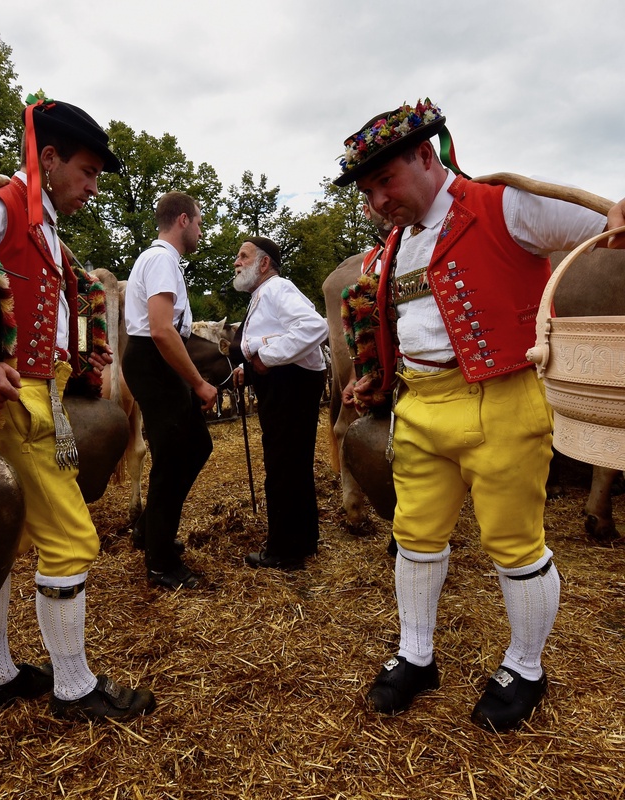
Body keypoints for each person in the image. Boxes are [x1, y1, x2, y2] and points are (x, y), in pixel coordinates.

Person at [333, 98, 610, 732]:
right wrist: (375, 376)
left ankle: (526, 668)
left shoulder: (505, 205)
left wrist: (616, 212)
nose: (377, 201)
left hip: (503, 400)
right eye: (367, 191)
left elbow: (599, 223)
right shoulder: (395, 245)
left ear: (425, 155)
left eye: (385, 181)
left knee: (514, 544)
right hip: (420, 405)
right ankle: (416, 655)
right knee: (414, 537)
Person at [0, 95, 155, 722]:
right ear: (49, 157)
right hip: (14, 402)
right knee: (71, 538)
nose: (93, 187)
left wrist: (77, 358)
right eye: (87, 172)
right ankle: (75, 688)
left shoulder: (44, 226)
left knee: (4, 537)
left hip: (37, 394)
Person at [122, 191, 218, 590]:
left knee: (194, 447)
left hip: (153, 361)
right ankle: (160, 562)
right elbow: (162, 330)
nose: (201, 230)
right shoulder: (162, 259)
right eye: (199, 222)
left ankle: (149, 531)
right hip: (153, 361)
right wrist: (198, 382)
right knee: (175, 456)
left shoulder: (161, 260)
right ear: (183, 220)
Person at [232, 236, 328, 570]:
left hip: (291, 385)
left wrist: (267, 357)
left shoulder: (277, 288)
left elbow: (314, 326)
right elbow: (271, 337)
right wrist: (249, 366)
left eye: (243, 256)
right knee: (292, 463)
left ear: (264, 263)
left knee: (283, 465)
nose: (236, 262)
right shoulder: (264, 293)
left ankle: (285, 551)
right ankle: (303, 540)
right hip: (287, 383)